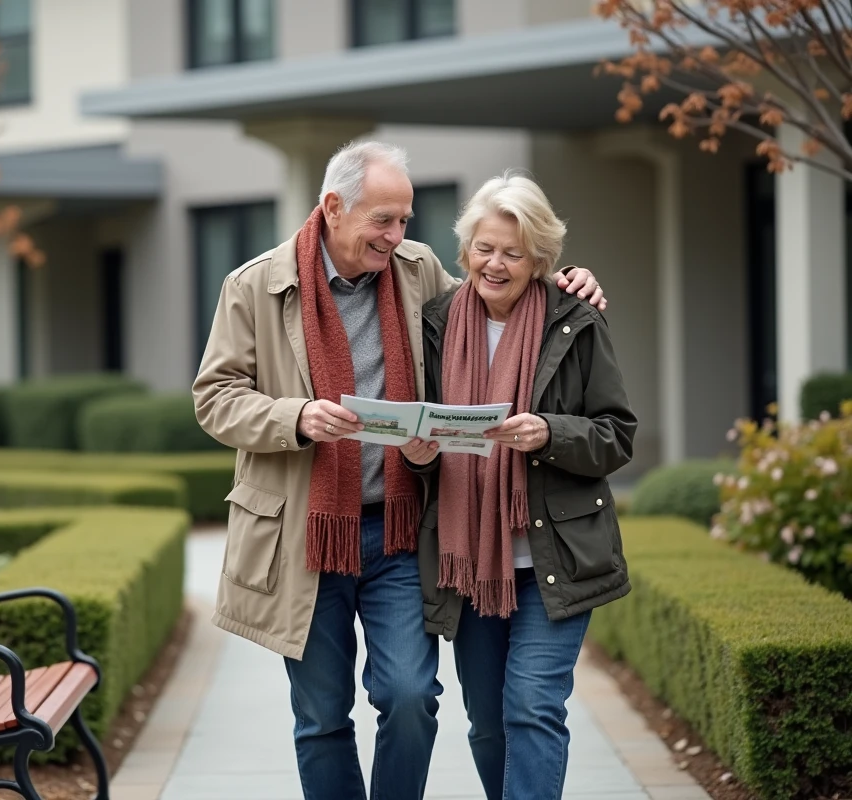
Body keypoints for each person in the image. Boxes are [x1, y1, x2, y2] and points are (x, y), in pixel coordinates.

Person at [192, 142, 609, 800]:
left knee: (412, 695)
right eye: (383, 220)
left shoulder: (417, 272)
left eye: (405, 221)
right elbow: (214, 399)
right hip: (305, 535)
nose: (397, 236)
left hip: (397, 532)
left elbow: (496, 295)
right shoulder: (253, 285)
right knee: (323, 718)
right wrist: (295, 417)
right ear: (332, 207)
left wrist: (566, 284)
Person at [402, 171, 637, 800]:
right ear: (464, 251)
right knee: (486, 724)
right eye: (484, 248)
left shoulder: (576, 320)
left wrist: (549, 433)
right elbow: (426, 438)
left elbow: (617, 434)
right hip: (470, 560)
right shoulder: (436, 323)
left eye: (513, 252)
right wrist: (420, 453)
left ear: (540, 258)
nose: (495, 264)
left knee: (532, 707)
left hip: (555, 557)